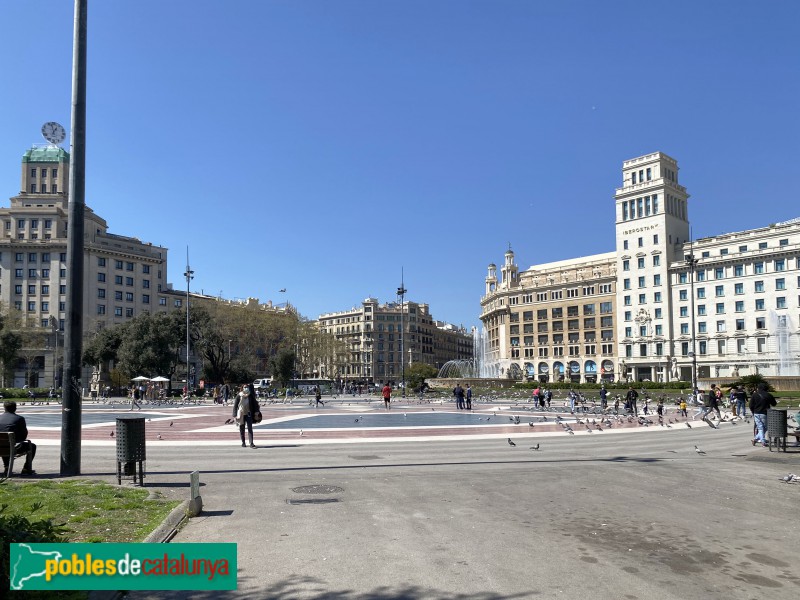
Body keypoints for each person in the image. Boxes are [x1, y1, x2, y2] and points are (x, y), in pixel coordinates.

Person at [0, 401, 36, 475]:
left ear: (4, 408)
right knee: (32, 446)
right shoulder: (19, 419)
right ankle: (26, 469)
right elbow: (23, 436)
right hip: (12, 447)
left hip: (0, 447)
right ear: (15, 408)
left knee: (4, 444)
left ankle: (7, 467)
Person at [233, 383, 258, 448]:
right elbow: (235, 405)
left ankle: (251, 443)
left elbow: (255, 404)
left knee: (250, 428)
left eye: (247, 387)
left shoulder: (250, 395)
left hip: (248, 413)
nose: (246, 388)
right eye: (244, 387)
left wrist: (256, 411)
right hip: (241, 414)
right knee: (242, 428)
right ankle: (243, 442)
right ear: (242, 388)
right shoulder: (239, 395)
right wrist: (235, 414)